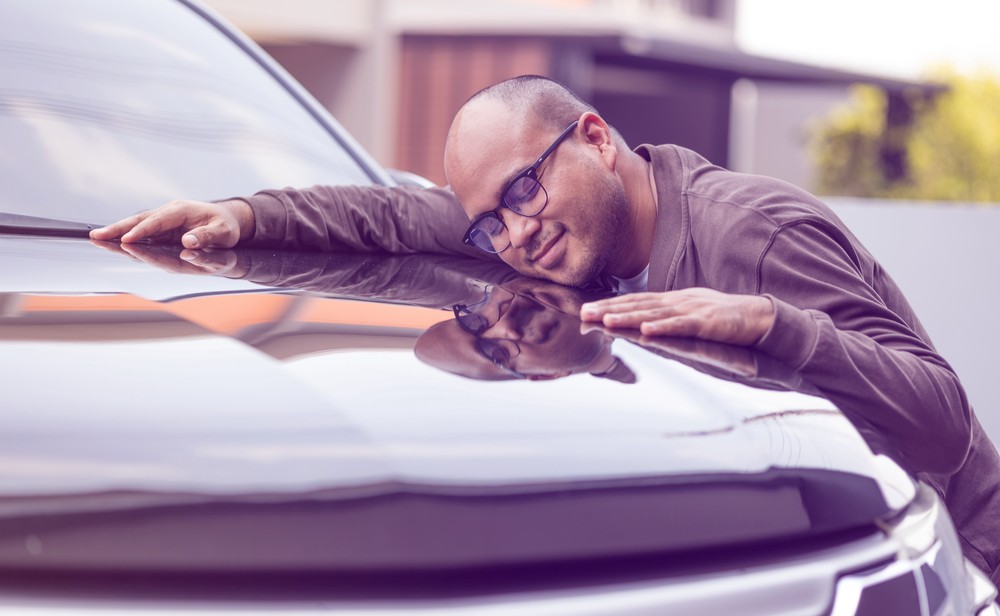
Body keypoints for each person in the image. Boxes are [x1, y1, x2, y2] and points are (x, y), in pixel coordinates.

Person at [90, 75, 999, 584]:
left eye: (525, 188)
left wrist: (775, 326)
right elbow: (391, 218)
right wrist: (241, 218)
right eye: (490, 220)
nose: (514, 232)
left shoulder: (752, 234)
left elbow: (944, 427)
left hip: (948, 566)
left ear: (597, 139)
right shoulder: (540, 241)